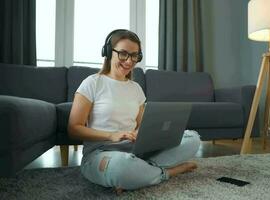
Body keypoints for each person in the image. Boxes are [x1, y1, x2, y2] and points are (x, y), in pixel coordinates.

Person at [68, 29, 201, 194]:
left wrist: (144, 135)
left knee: (193, 138)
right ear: (108, 52)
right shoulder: (91, 83)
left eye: (135, 56)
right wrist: (111, 135)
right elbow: (74, 128)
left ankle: (139, 172)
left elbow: (142, 125)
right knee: (121, 167)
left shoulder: (136, 88)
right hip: (100, 153)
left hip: (135, 150)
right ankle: (167, 172)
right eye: (123, 54)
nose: (129, 61)